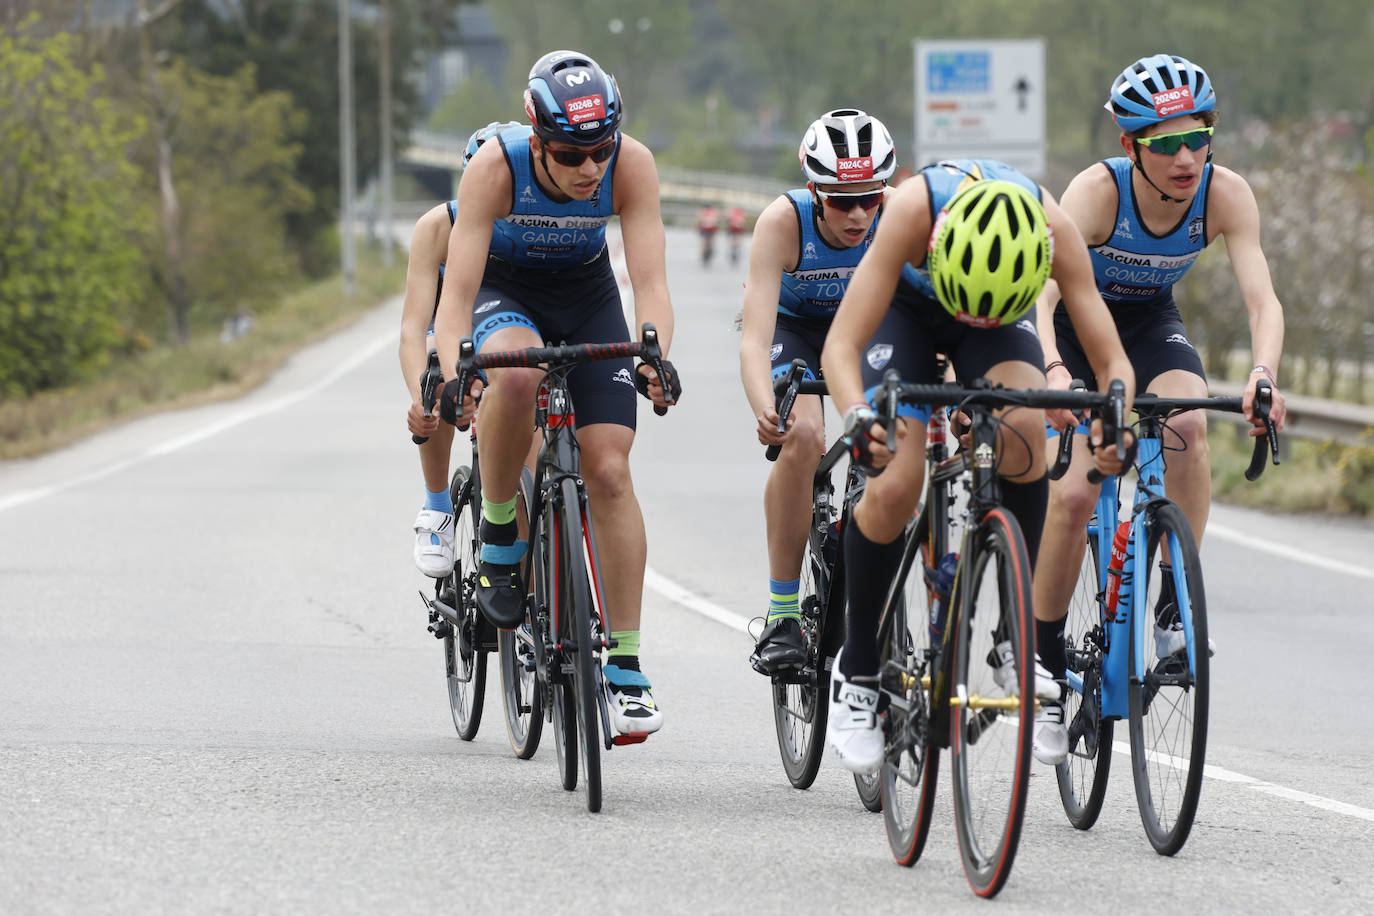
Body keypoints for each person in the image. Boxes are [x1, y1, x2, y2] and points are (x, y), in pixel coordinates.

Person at [819, 160, 1137, 774]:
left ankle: (1013, 639)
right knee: (898, 478)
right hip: (911, 313)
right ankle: (856, 669)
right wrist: (859, 418)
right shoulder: (912, 211)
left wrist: (1113, 418)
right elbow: (840, 345)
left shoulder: (1053, 226)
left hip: (999, 319)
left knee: (1024, 433)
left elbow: (1112, 359)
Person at [1031, 53, 1287, 763]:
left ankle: (1173, 606)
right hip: (1077, 334)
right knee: (1079, 492)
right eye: (1166, 143)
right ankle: (1047, 663)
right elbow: (1046, 298)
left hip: (1148, 325)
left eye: (1198, 137)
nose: (1186, 157)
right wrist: (1054, 370)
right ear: (1130, 147)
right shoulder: (1096, 193)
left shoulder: (1225, 195)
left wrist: (1263, 374)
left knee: (1189, 428)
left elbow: (1264, 301)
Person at [431, 50, 680, 736]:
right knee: (513, 372)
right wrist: (454, 371)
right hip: (504, 287)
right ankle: (502, 529)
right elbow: (457, 290)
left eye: (600, 150)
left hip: (588, 293)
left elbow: (650, 281)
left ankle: (625, 667)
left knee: (608, 469)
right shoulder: (496, 167)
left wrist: (656, 349)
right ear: (536, 141)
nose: (590, 169)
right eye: (571, 155)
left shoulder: (632, 165)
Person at [738, 108, 897, 674]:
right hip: (796, 332)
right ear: (813, 192)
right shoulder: (782, 223)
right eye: (840, 200)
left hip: (868, 329)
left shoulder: (899, 218)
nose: (857, 214)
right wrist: (766, 407)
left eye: (870, 198)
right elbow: (755, 341)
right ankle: (783, 615)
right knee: (804, 436)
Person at [403, 120, 522, 577]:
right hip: (451, 319)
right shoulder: (437, 227)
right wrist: (421, 397)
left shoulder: (533, 224)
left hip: (511, 316)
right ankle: (437, 508)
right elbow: (412, 328)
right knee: (434, 364)